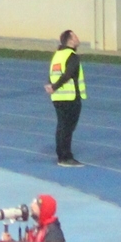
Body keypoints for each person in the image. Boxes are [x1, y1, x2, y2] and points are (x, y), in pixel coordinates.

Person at [45, 29, 84, 167]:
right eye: (75, 36)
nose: (78, 39)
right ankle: (66, 157)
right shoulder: (72, 56)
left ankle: (61, 155)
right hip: (70, 97)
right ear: (70, 40)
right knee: (67, 128)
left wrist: (51, 86)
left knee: (62, 126)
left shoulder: (57, 55)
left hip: (58, 98)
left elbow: (52, 73)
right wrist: (55, 86)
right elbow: (68, 74)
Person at [0, 196, 65, 242]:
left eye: (35, 204)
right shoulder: (37, 229)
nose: (31, 205)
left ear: (44, 209)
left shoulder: (53, 233)